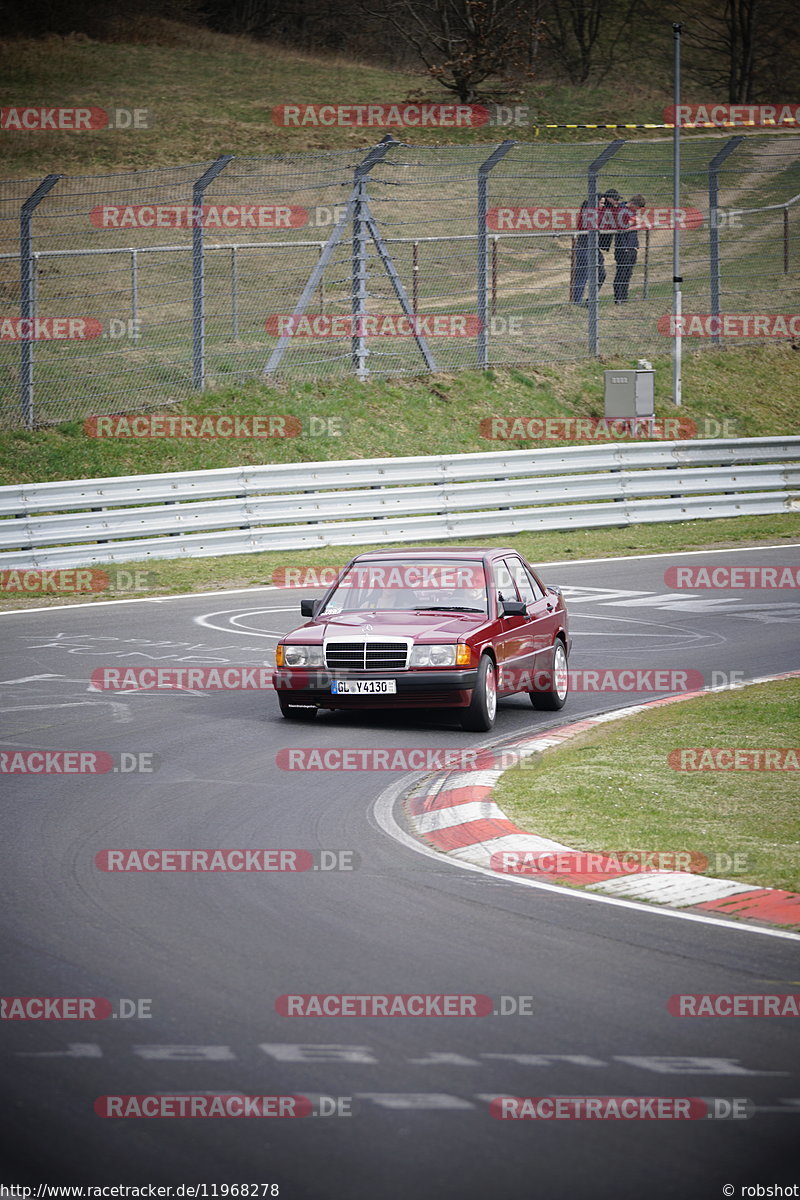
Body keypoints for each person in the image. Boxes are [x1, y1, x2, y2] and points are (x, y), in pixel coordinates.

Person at [571, 189, 620, 305]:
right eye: (601, 203)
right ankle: (576, 302)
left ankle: (590, 300)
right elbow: (593, 226)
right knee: (582, 276)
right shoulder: (589, 212)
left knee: (601, 274)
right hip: (584, 246)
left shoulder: (599, 212)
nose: (603, 206)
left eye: (604, 203)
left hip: (594, 248)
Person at [613, 193, 646, 303]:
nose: (638, 210)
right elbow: (621, 225)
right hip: (622, 247)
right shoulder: (620, 209)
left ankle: (624, 297)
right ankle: (618, 298)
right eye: (637, 208)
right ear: (633, 204)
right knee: (621, 272)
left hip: (632, 246)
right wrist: (633, 222)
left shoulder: (633, 212)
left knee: (628, 273)